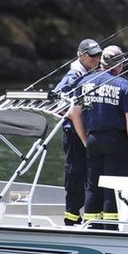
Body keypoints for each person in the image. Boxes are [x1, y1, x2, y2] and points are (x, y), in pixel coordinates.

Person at [69, 46, 128, 230]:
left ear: (102, 62)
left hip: (93, 139)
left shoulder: (84, 82)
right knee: (113, 188)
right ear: (120, 63)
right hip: (117, 141)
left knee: (92, 186)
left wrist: (85, 139)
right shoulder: (124, 85)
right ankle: (111, 228)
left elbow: (74, 114)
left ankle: (92, 226)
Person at [54, 38, 103, 225]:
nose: (97, 59)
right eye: (93, 56)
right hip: (74, 134)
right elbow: (56, 102)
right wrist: (75, 116)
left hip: (89, 133)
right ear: (80, 55)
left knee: (90, 174)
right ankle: (71, 217)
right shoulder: (73, 76)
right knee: (75, 173)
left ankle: (88, 215)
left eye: (99, 55)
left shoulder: (93, 73)